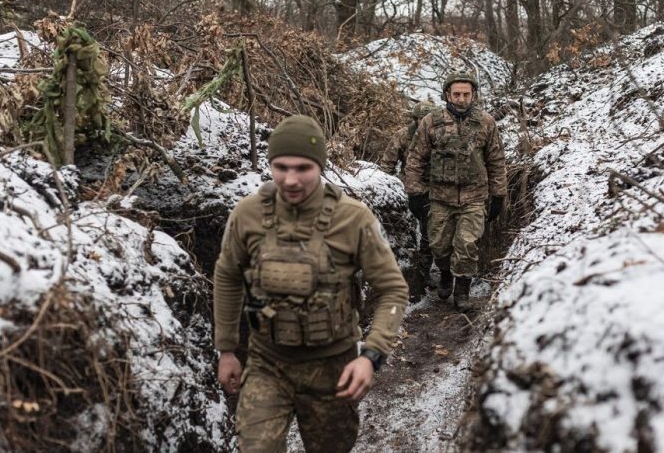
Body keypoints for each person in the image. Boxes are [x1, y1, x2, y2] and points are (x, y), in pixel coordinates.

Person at [213, 115, 409, 452]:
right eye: (281, 166)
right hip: (267, 363)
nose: (290, 179)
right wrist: (227, 349)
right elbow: (228, 275)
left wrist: (370, 356)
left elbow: (392, 288)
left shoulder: (353, 218)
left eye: (303, 168)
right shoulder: (247, 214)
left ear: (319, 166)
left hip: (332, 366)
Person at [403, 70, 507, 304]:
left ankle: (462, 292)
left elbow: (496, 160)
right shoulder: (432, 122)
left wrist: (499, 194)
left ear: (474, 96)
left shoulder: (486, 122)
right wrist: (415, 192)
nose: (461, 99)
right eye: (457, 94)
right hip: (440, 197)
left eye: (466, 94)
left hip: (474, 197)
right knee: (439, 245)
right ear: (448, 95)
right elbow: (415, 158)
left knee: (467, 244)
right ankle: (446, 274)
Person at [379, 100, 437, 274]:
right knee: (421, 228)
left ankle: (426, 269)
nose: (424, 122)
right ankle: (420, 267)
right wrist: (388, 187)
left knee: (429, 230)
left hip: (435, 190)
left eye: (428, 118)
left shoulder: (440, 135)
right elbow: (388, 163)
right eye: (421, 118)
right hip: (412, 188)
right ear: (415, 119)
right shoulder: (403, 135)